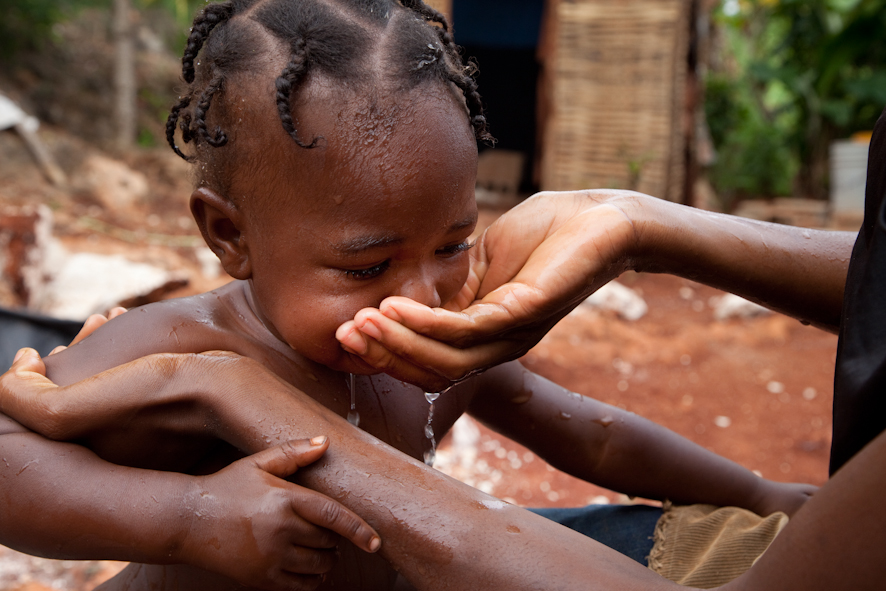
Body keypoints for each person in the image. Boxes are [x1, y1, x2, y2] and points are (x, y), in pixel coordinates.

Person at [0, 0, 815, 589]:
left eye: (454, 245)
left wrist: (758, 494)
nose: (421, 293)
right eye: (366, 267)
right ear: (230, 237)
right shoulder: (175, 350)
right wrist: (190, 516)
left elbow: (592, 435)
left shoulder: (443, 342)